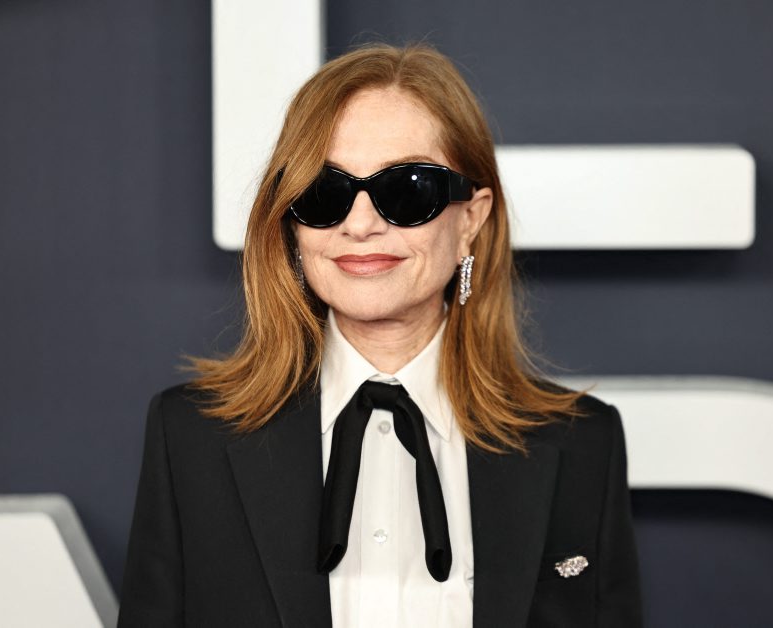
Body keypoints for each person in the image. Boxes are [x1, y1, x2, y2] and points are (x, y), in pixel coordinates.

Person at [118, 43, 642, 628]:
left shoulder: (582, 445)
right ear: (291, 222)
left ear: (470, 218)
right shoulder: (190, 438)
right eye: (325, 191)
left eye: (407, 190)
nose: (361, 224)